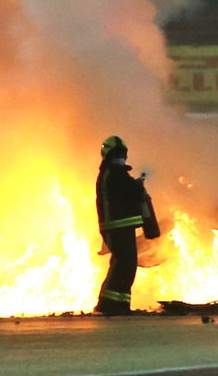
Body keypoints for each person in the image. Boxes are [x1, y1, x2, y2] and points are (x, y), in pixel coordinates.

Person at [95, 135, 156, 315]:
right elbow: (129, 190)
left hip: (122, 227)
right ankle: (107, 304)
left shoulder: (116, 174)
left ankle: (120, 305)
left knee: (126, 265)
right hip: (116, 227)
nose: (120, 158)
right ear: (108, 154)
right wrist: (138, 186)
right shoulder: (111, 174)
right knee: (123, 265)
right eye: (117, 154)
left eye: (122, 154)